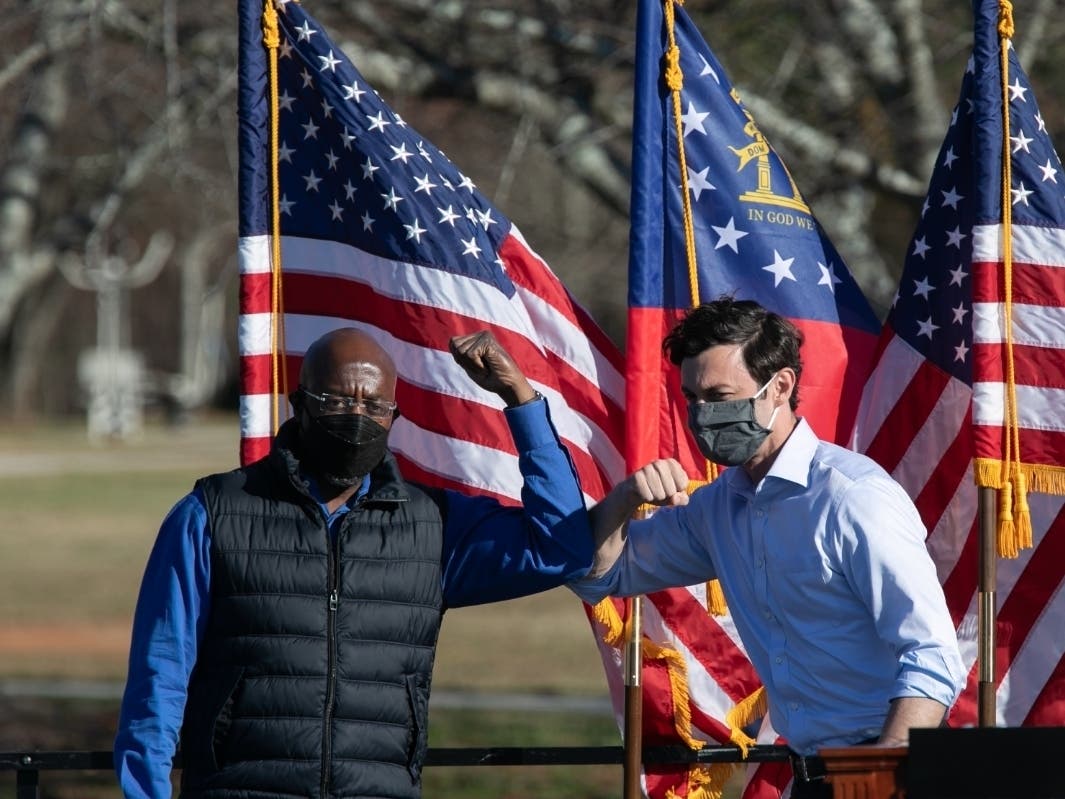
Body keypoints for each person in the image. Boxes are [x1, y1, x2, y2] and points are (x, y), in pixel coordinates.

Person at [115, 327, 593, 799]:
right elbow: (159, 678)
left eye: (374, 407)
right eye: (337, 401)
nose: (356, 417)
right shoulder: (212, 513)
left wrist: (519, 397)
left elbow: (561, 547)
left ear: (393, 417)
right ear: (299, 403)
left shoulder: (433, 525)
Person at [572, 297, 965, 799]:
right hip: (807, 777)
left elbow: (932, 655)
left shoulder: (851, 497)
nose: (703, 415)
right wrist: (626, 497)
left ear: (780, 386)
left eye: (720, 395)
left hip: (892, 771)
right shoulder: (717, 509)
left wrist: (880, 778)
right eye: (692, 398)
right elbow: (599, 574)